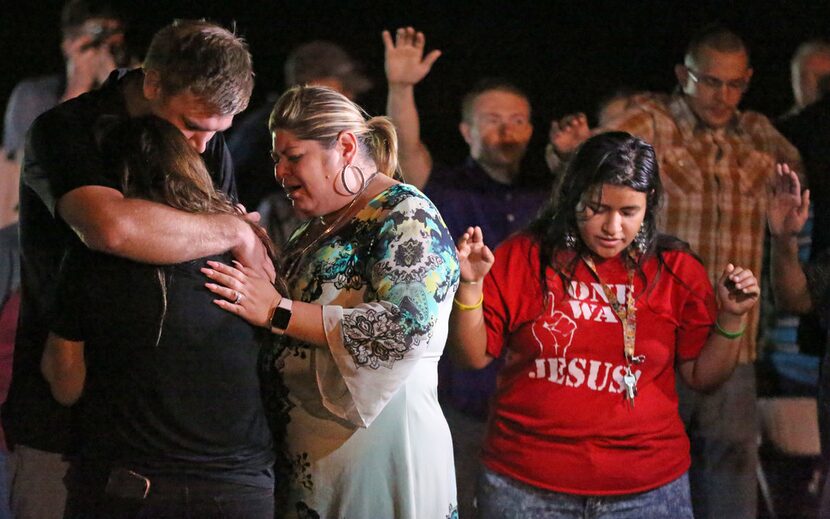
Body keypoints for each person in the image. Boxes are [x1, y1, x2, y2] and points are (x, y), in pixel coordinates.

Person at [6, 19, 269, 519]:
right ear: (152, 83)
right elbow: (109, 228)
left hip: (175, 444)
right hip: (65, 424)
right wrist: (232, 232)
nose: (201, 146)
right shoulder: (66, 129)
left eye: (217, 132)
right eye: (191, 125)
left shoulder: (208, 142)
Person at [550, 25, 801, 518]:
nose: (722, 96)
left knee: (730, 486)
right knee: (643, 481)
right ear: (683, 75)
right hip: (653, 339)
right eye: (709, 82)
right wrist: (568, 151)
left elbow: (799, 172)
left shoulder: (758, 134)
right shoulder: (653, 120)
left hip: (732, 343)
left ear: (747, 81)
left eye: (733, 85)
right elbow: (587, 165)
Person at [449, 131, 759, 519]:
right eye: (596, 208)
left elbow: (703, 376)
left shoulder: (676, 269)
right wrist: (471, 285)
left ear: (649, 206)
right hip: (526, 486)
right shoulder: (526, 255)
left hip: (647, 491)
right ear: (571, 197)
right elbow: (472, 356)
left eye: (629, 212)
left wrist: (731, 317)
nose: (612, 226)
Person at [202, 85, 460, 519]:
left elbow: (407, 328)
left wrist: (276, 310)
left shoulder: (405, 214)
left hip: (381, 456)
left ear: (343, 146)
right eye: (276, 159)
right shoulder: (311, 231)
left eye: (293, 156)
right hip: (313, 462)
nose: (280, 172)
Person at [40, 116, 278, 518]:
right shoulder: (246, 247)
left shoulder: (92, 257)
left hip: (135, 489)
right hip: (243, 490)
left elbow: (66, 383)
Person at [384, 27, 552, 515]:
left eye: (519, 120)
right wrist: (401, 87)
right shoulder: (445, 188)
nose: (508, 130)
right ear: (466, 131)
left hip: (532, 393)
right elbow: (405, 154)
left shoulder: (545, 200)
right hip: (463, 391)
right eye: (494, 120)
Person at [229, 40, 372, 250]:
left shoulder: (394, 210)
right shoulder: (262, 134)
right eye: (341, 89)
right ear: (312, 85)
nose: (350, 98)